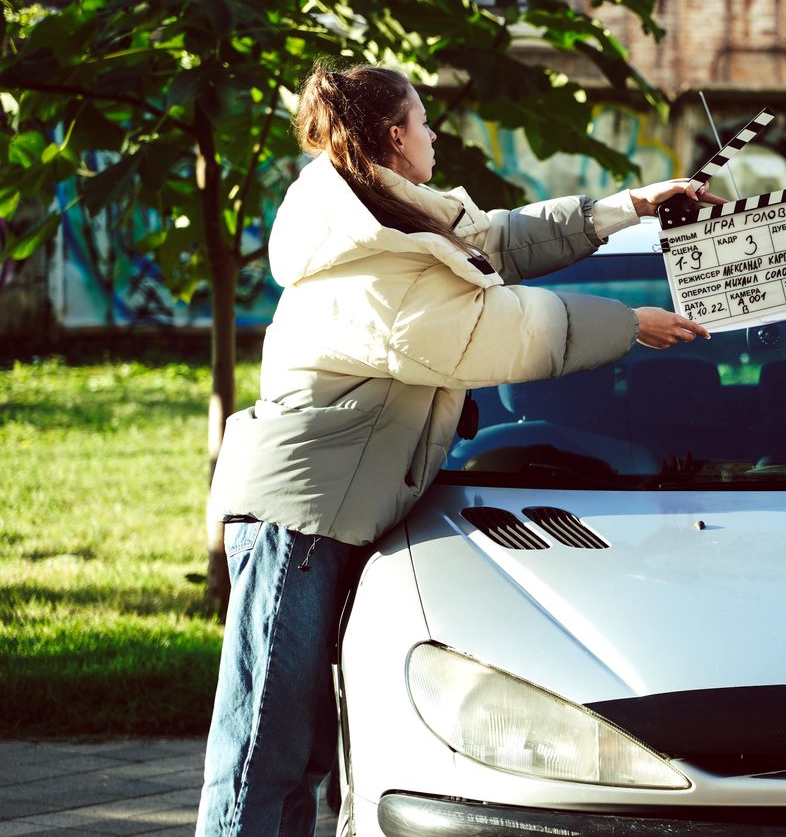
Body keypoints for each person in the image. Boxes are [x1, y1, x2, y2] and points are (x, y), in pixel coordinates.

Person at [196, 63, 720, 836]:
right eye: (423, 119)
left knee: (299, 753)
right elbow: (495, 333)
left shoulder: (393, 214)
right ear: (394, 136)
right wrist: (629, 323)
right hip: (297, 518)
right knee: (264, 753)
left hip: (329, 509)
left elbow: (502, 238)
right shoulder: (372, 254)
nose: (434, 132)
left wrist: (631, 206)